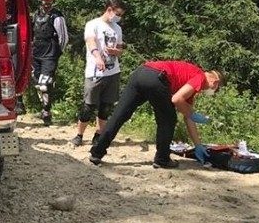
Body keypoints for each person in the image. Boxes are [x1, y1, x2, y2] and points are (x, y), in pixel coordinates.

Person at [89, 60, 224, 169]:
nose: (211, 92)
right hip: (156, 78)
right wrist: (194, 115)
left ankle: (97, 153)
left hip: (141, 72)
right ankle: (162, 159)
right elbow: (177, 99)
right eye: (215, 90)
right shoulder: (200, 77)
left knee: (120, 114)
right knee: (168, 119)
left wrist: (198, 145)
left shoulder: (191, 78)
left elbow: (187, 115)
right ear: (215, 82)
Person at [71, 0, 127, 148]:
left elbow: (120, 48)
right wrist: (98, 57)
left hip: (113, 71)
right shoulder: (93, 24)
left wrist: (117, 51)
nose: (118, 17)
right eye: (117, 14)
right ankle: (79, 135)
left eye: (121, 15)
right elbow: (91, 41)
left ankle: (98, 135)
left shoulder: (117, 28)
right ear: (109, 10)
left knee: (106, 106)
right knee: (88, 106)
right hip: (95, 72)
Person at [30, 0, 68, 125]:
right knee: (38, 84)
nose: (47, 3)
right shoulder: (36, 14)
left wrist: (57, 53)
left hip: (50, 53)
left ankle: (47, 111)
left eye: (49, 0)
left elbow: (63, 37)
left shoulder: (57, 16)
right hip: (36, 52)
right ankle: (43, 108)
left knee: (45, 84)